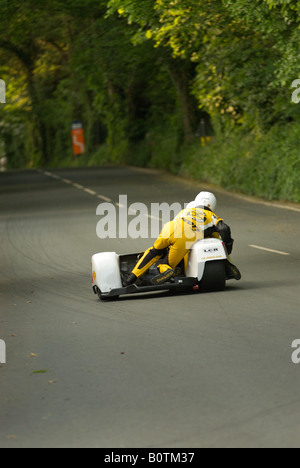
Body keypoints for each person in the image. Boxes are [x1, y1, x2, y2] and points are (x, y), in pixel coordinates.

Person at [124, 191, 239, 286]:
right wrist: (228, 246)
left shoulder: (184, 211)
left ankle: (131, 277)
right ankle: (227, 264)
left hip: (170, 229)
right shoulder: (210, 216)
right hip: (187, 237)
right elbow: (224, 230)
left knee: (154, 251)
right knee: (214, 243)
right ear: (212, 206)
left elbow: (176, 224)